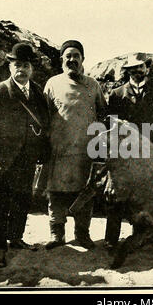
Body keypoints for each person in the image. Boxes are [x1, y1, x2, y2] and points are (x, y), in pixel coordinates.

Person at [0, 42, 50, 267]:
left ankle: (16, 238)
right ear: (10, 67)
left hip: (27, 159)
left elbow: (46, 122)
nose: (22, 69)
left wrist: (41, 150)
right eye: (17, 65)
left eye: (26, 65)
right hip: (3, 158)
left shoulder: (37, 91)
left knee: (22, 200)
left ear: (32, 68)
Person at [44, 40, 107, 250]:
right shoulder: (52, 83)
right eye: (68, 56)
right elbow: (44, 116)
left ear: (83, 59)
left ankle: (82, 234)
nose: (72, 60)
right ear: (61, 59)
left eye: (76, 56)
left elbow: (102, 115)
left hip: (85, 151)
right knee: (56, 193)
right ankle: (57, 234)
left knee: (85, 194)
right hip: (59, 150)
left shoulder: (93, 85)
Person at [104, 53, 153, 250]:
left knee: (143, 196)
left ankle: (137, 237)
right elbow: (111, 127)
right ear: (127, 71)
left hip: (147, 154)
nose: (137, 71)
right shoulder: (116, 94)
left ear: (146, 69)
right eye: (133, 68)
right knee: (117, 195)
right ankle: (110, 239)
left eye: (141, 67)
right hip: (124, 154)